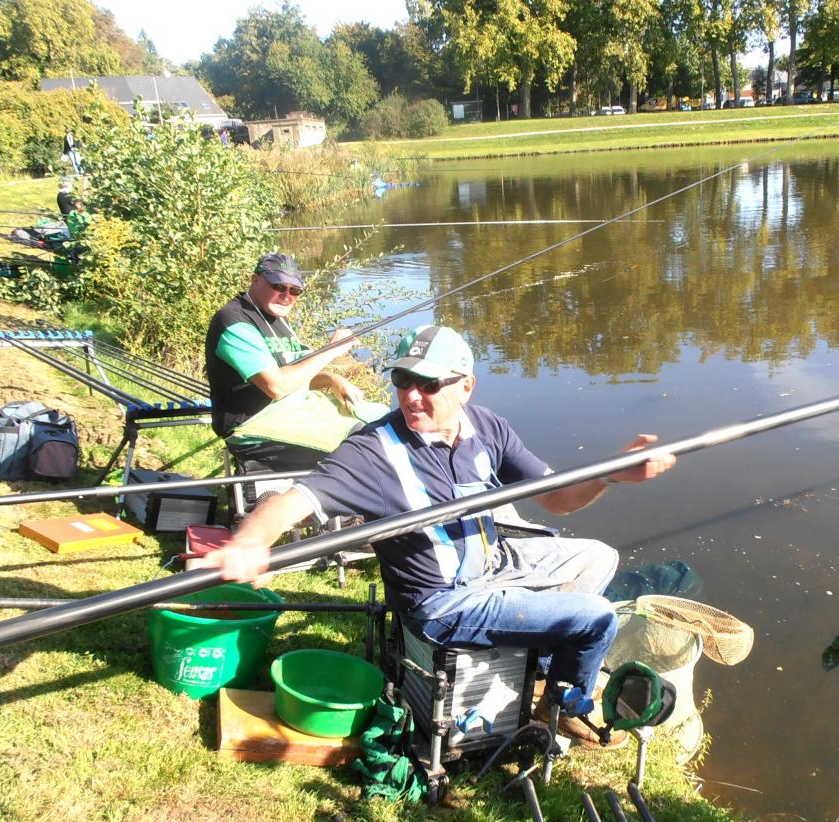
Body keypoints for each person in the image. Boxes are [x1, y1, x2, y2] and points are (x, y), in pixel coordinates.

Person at [198, 324, 677, 720]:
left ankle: (543, 666)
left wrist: (611, 474)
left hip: (493, 563)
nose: (411, 396)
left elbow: (558, 499)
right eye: (402, 380)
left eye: (429, 385)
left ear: (466, 386)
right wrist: (250, 541)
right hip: (442, 602)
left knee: (600, 556)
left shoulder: (488, 427)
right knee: (595, 618)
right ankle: (563, 708)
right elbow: (291, 500)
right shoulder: (372, 452)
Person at [206, 252, 385, 471]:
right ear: (256, 280)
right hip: (254, 426)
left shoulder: (278, 319)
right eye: (278, 286)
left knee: (386, 420)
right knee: (366, 441)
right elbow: (277, 386)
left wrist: (331, 379)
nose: (287, 296)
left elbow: (296, 374)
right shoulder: (234, 322)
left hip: (295, 412)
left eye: (295, 290)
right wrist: (331, 350)